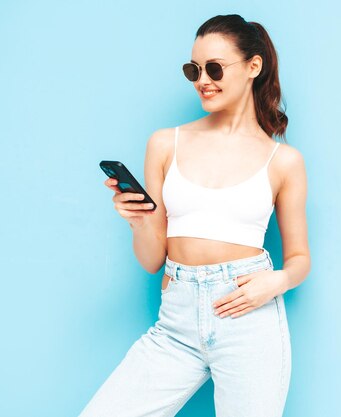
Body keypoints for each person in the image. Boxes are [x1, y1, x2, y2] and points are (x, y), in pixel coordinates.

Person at [79, 14, 310, 417]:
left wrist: (274, 283)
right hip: (177, 318)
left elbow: (300, 259)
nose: (203, 79)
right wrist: (137, 220)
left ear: (253, 67)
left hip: (247, 316)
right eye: (194, 69)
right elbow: (153, 260)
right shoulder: (166, 143)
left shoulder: (283, 161)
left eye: (215, 68)